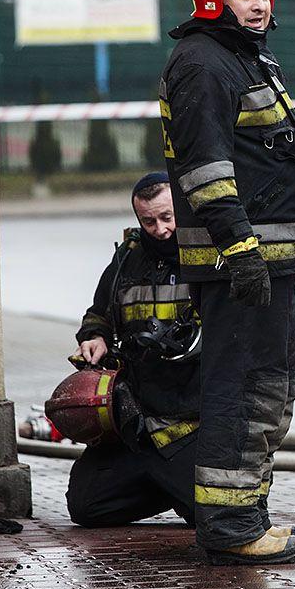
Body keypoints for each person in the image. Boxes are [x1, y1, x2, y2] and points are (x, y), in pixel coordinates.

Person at [159, 0, 295, 565]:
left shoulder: (243, 58)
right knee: (243, 390)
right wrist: (242, 249)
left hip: (267, 264)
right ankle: (231, 528)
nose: (257, 5)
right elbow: (206, 171)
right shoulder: (204, 63)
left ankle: (246, 515)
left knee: (269, 389)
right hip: (243, 266)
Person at [65, 173, 201, 528]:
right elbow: (99, 311)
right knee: (86, 507)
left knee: (214, 514)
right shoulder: (127, 259)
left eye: (167, 217)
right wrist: (95, 335)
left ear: (182, 209)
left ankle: (181, 487)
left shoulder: (204, 253)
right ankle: (169, 486)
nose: (160, 230)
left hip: (190, 417)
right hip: (134, 417)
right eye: (149, 221)